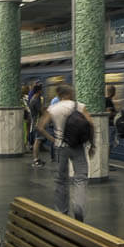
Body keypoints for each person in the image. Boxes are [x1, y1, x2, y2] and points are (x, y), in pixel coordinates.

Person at [37, 84, 95, 222]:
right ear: (69, 94)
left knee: (61, 180)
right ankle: (78, 206)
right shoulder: (79, 106)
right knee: (80, 177)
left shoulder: (52, 108)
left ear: (59, 95)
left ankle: (61, 212)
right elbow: (91, 124)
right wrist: (93, 145)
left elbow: (40, 127)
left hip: (60, 147)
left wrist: (53, 139)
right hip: (77, 146)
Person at [28, 82, 46, 167]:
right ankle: (36, 160)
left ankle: (37, 159)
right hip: (38, 122)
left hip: (35, 121)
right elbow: (41, 111)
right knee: (37, 141)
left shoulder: (34, 99)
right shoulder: (35, 100)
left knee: (38, 140)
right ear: (39, 91)